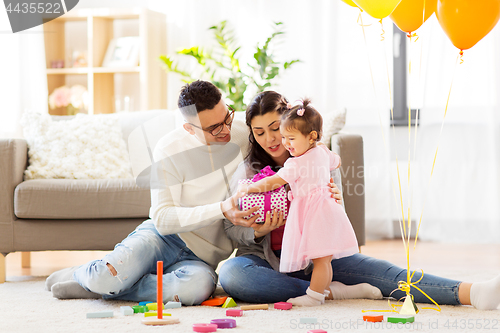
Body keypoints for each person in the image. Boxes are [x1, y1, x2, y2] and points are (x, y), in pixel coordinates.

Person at [44, 80, 356, 305]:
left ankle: (110, 284)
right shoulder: (168, 148)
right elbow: (163, 218)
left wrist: (328, 187)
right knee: (107, 275)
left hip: (202, 259)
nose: (224, 131)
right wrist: (222, 208)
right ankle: (94, 277)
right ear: (189, 129)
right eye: (212, 128)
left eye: (226, 119)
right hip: (160, 237)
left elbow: (292, 133)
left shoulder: (245, 132)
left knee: (196, 290)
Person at [220, 90, 500, 311]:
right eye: (259, 132)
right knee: (233, 275)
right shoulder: (248, 173)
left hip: (320, 257)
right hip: (269, 264)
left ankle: (471, 292)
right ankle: (331, 290)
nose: (271, 139)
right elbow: (231, 231)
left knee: (385, 272)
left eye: (275, 128)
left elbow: (335, 215)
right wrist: (258, 231)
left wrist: (335, 200)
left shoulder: (319, 159)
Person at [237, 99, 361, 306]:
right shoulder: (321, 152)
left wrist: (248, 188)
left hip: (314, 216)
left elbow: (273, 182)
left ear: (311, 136)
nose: (285, 143)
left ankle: (314, 296)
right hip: (327, 213)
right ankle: (324, 291)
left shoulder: (295, 162)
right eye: (284, 137)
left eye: (289, 137)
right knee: (324, 261)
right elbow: (336, 161)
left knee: (321, 261)